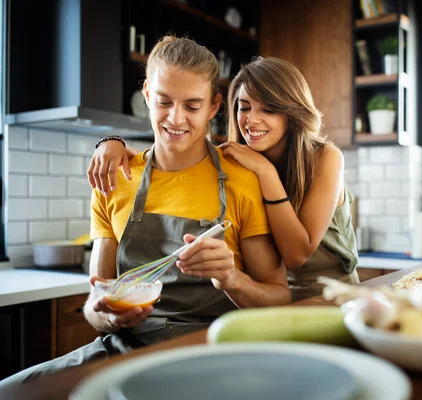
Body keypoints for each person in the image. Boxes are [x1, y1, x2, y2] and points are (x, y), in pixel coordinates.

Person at [0, 36, 289, 392]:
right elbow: (96, 299)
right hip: (125, 350)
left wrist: (231, 278)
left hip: (212, 354)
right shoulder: (114, 180)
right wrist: (105, 315)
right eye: (164, 101)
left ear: (214, 106)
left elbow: (280, 298)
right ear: (147, 95)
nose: (175, 118)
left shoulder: (242, 182)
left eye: (192, 106)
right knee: (15, 391)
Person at [87, 57, 359, 302]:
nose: (251, 120)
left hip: (333, 297)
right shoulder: (240, 160)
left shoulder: (325, 158)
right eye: (244, 107)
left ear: (291, 111)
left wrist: (266, 173)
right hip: (272, 302)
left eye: (268, 110)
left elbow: (296, 256)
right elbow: (166, 159)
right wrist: (112, 143)